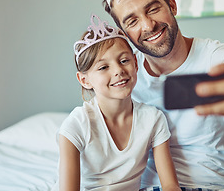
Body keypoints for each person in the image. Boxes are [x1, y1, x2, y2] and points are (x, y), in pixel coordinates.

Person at [103, 0, 224, 190]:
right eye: (132, 21)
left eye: (153, 9)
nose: (148, 25)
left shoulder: (218, 59)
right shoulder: (124, 77)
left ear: (172, 4)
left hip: (212, 185)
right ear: (124, 33)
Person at [53, 14, 181, 191]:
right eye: (103, 67)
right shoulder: (77, 125)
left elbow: (170, 185)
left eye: (124, 60)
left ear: (135, 63)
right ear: (84, 80)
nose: (119, 71)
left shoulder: (153, 118)